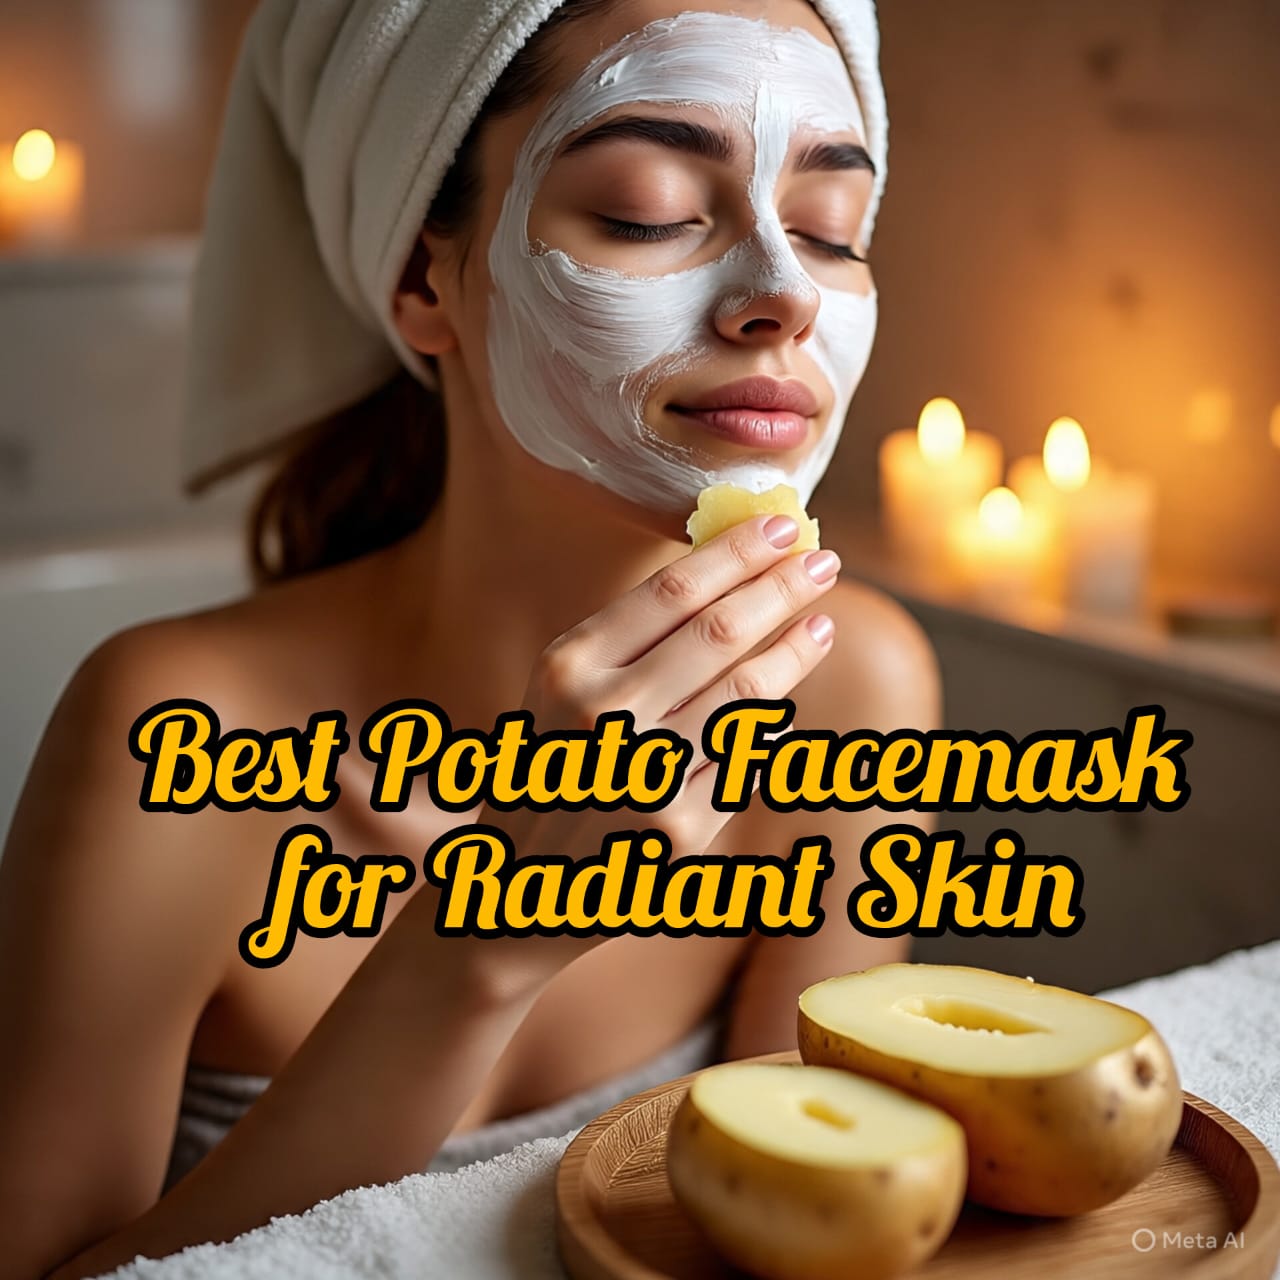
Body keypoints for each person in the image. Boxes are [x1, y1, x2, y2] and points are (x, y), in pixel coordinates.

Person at [0, 0, 939, 1275]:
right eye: (649, 209)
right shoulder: (169, 734)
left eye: (833, 232)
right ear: (419, 280)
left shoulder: (852, 686)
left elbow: (795, 1222)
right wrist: (476, 946)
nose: (782, 292)